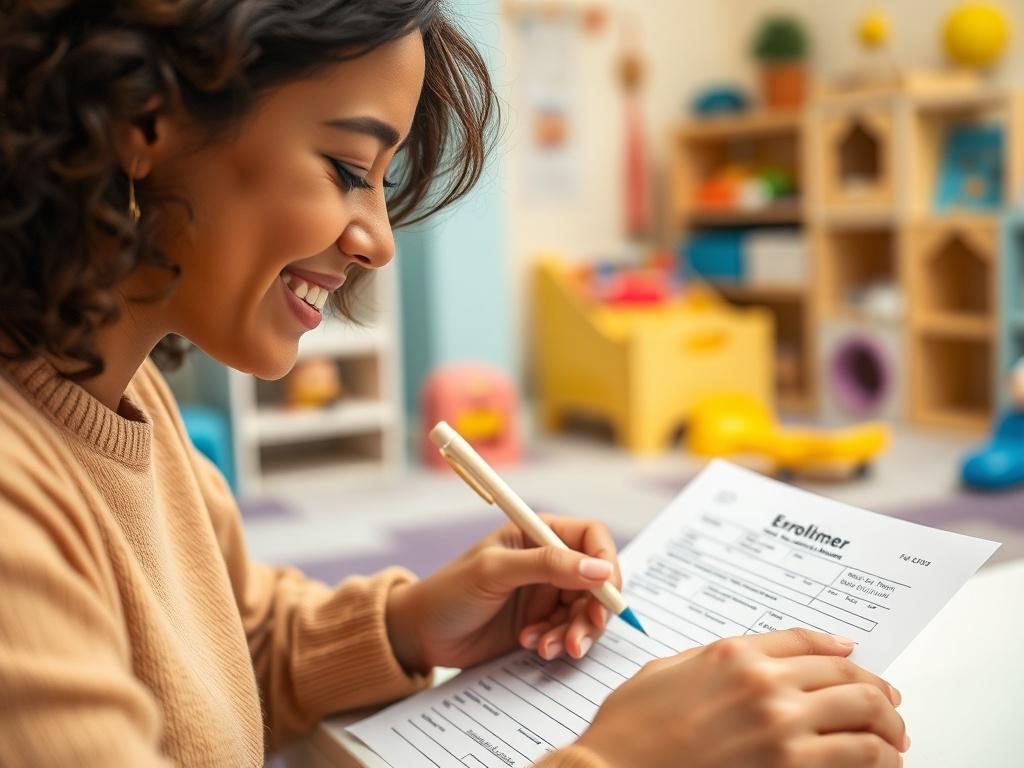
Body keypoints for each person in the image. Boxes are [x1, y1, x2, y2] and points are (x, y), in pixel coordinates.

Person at [0, 2, 908, 766]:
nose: (378, 240)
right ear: (143, 121)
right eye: (350, 169)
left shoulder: (123, 392)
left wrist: (413, 622)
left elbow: (223, 653)